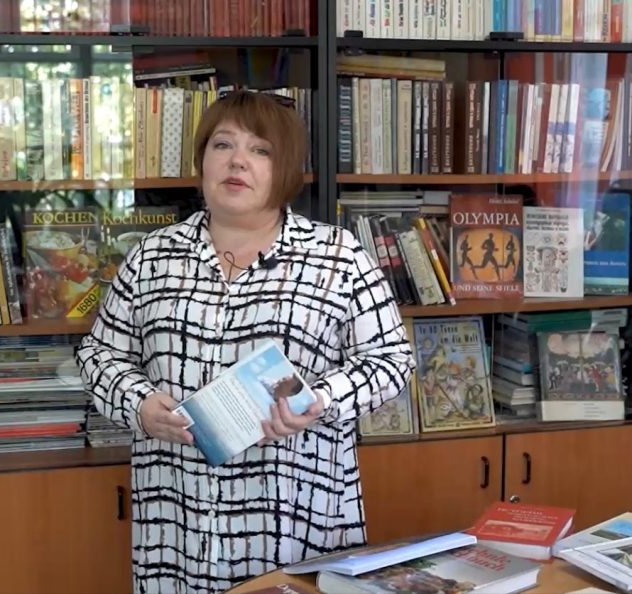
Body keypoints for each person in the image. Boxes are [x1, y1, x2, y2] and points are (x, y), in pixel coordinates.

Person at [75, 90, 415, 593]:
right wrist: (138, 403)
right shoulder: (151, 256)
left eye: (260, 150)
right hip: (177, 523)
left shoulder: (337, 257)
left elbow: (392, 360)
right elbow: (98, 355)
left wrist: (320, 400)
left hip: (296, 521)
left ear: (286, 169)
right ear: (202, 160)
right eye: (223, 144)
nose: (238, 161)